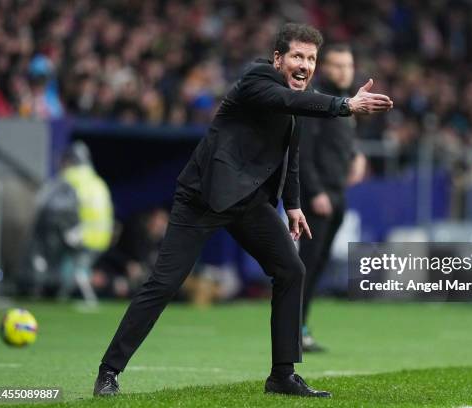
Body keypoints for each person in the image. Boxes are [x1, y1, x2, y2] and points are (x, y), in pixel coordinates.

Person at [93, 23, 392, 398]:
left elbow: (292, 155)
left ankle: (282, 376)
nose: (305, 65)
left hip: (249, 202)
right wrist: (345, 105)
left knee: (291, 269)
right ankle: (109, 372)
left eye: (311, 58)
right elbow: (287, 103)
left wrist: (294, 205)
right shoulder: (257, 79)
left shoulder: (301, 97)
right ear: (278, 58)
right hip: (204, 198)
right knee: (163, 284)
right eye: (298, 56)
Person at [299, 43, 367, 352]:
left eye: (348, 65)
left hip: (338, 194)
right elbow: (304, 152)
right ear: (324, 67)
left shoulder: (344, 104)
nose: (344, 71)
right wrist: (314, 192)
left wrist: (356, 156)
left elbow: (340, 143)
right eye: (338, 65)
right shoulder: (318, 103)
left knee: (317, 264)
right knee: (306, 266)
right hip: (320, 196)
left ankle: (301, 329)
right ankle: (294, 331)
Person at [24, 141, 113, 305]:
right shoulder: (97, 181)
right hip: (103, 237)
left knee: (50, 243)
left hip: (82, 236)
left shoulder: (70, 178)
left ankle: (44, 285)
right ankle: (65, 288)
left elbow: (47, 205)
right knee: (74, 264)